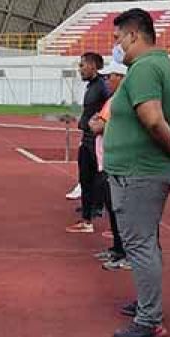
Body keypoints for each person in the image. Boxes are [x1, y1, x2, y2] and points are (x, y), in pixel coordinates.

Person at [102, 8, 170, 337]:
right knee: (145, 241)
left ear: (134, 36)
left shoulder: (144, 69)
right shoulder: (159, 66)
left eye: (118, 39)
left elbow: (153, 119)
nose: (117, 46)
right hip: (144, 172)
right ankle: (147, 303)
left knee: (139, 243)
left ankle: (149, 317)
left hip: (139, 174)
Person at [90, 55, 128, 270]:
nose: (106, 81)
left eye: (109, 77)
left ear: (121, 77)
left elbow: (97, 126)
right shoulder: (114, 99)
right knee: (113, 210)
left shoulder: (116, 101)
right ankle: (117, 249)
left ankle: (122, 251)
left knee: (117, 211)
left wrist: (92, 121)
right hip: (107, 162)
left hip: (112, 164)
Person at [67, 52, 111, 234]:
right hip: (87, 139)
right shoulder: (92, 86)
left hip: (96, 141)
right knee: (85, 180)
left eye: (82, 65)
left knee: (103, 182)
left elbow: (110, 106)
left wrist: (99, 123)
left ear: (93, 66)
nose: (80, 69)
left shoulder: (103, 87)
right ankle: (87, 220)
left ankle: (115, 226)